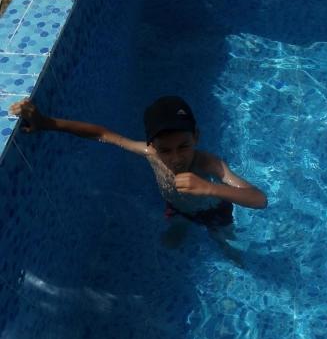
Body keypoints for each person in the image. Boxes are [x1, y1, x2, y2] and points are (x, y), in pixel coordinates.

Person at [10, 96, 267, 249]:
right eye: (165, 150)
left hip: (213, 211)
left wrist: (210, 188)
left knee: (224, 242)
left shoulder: (209, 165)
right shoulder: (149, 153)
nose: (176, 157)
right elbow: (101, 133)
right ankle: (181, 226)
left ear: (196, 138)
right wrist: (47, 123)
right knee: (175, 228)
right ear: (152, 145)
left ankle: (226, 249)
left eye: (184, 146)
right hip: (176, 206)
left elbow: (258, 198)